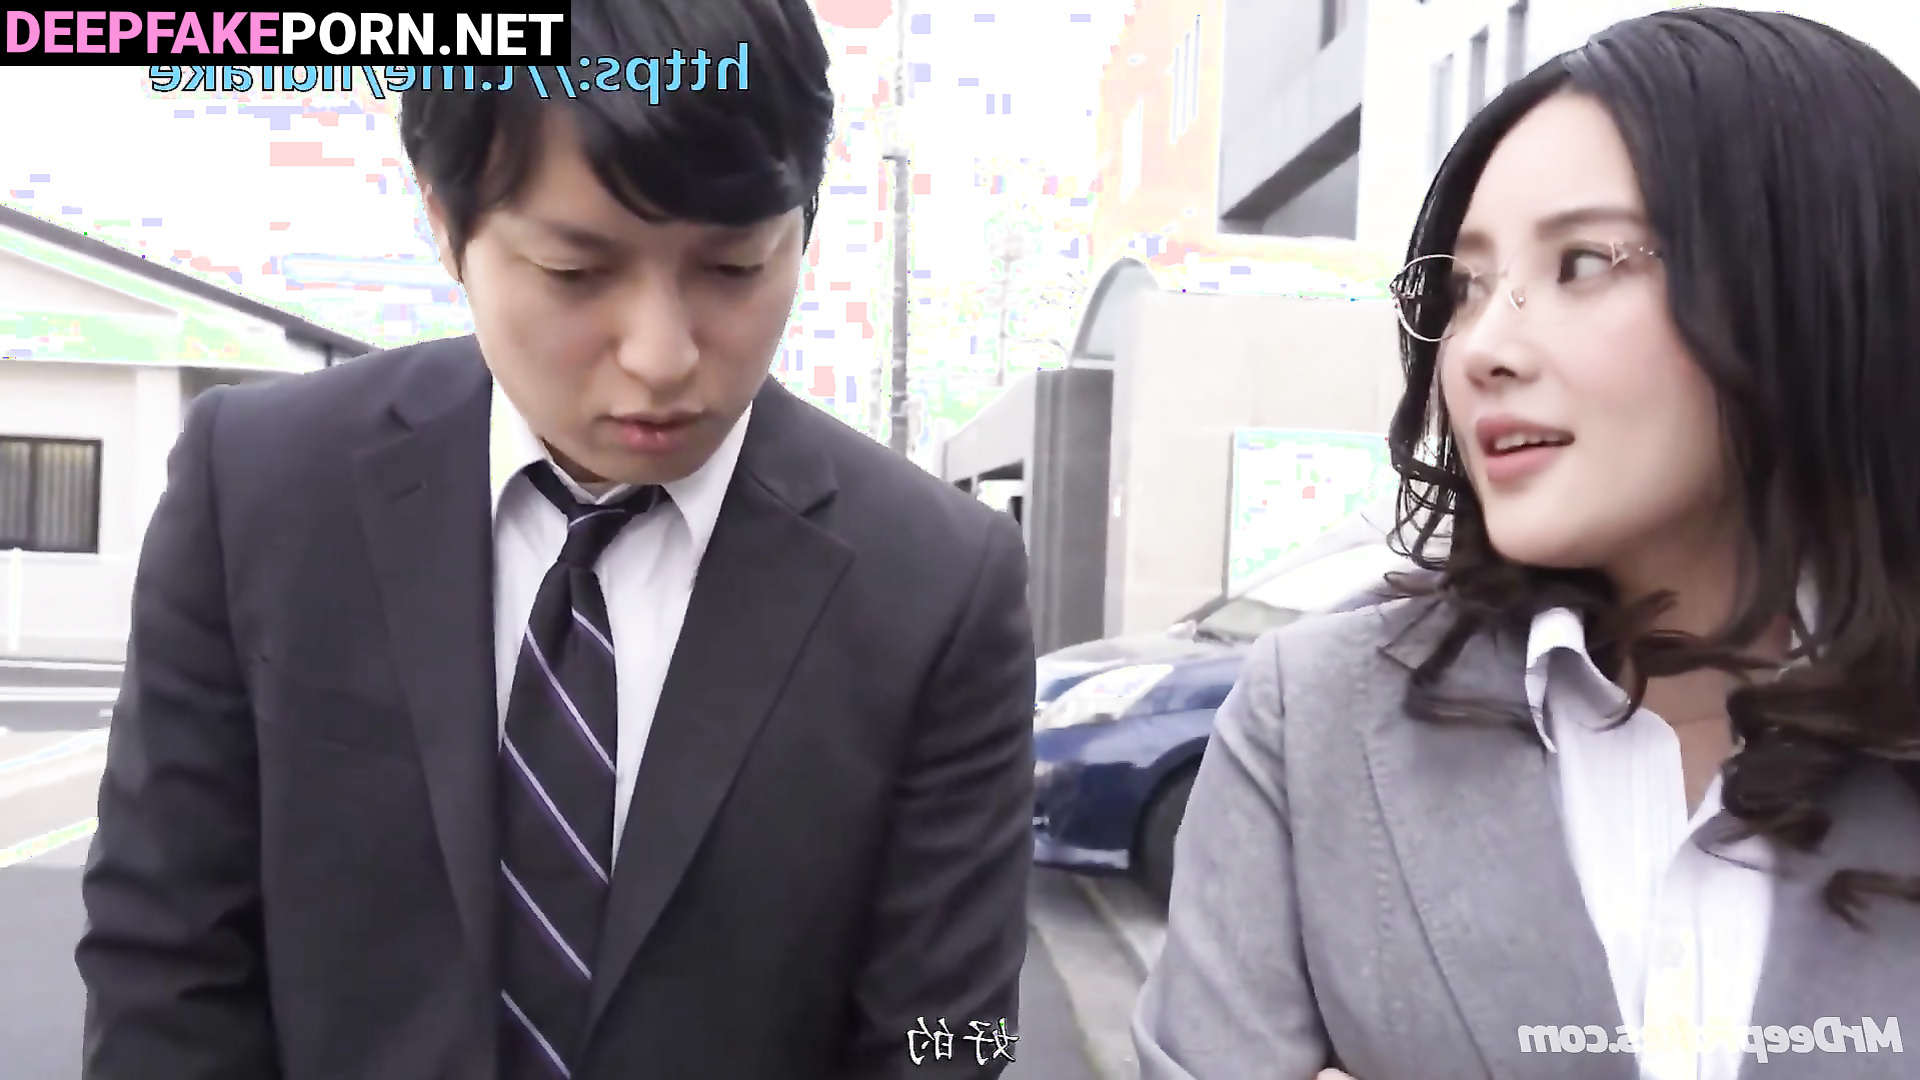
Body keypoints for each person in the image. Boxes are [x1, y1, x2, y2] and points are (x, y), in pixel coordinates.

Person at [75, 2, 1036, 1077]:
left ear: (804, 222)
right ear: (446, 222)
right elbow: (164, 964)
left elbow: (956, 1038)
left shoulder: (939, 586)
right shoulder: (260, 491)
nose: (662, 357)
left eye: (734, 268)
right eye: (577, 273)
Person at [1134, 8, 1920, 1080]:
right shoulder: (1314, 720)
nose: (1484, 350)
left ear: (1820, 281)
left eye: (1584, 262)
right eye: (1464, 287)